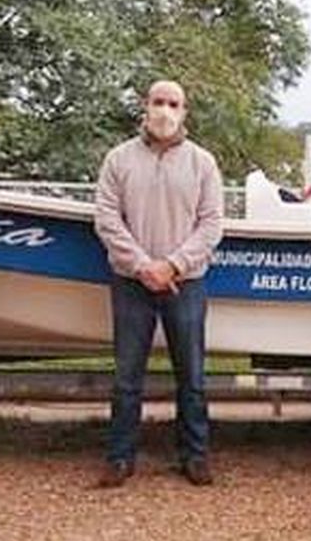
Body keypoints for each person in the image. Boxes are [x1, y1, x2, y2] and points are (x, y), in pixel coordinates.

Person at [92, 80, 224, 488]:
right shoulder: (118, 159)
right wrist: (142, 265)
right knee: (127, 377)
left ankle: (195, 455)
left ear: (184, 112)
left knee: (193, 376)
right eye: (158, 102)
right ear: (145, 107)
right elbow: (107, 219)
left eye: (173, 104)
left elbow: (212, 223)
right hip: (132, 282)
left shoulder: (203, 163)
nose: (165, 110)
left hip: (186, 283)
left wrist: (174, 265)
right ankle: (119, 457)